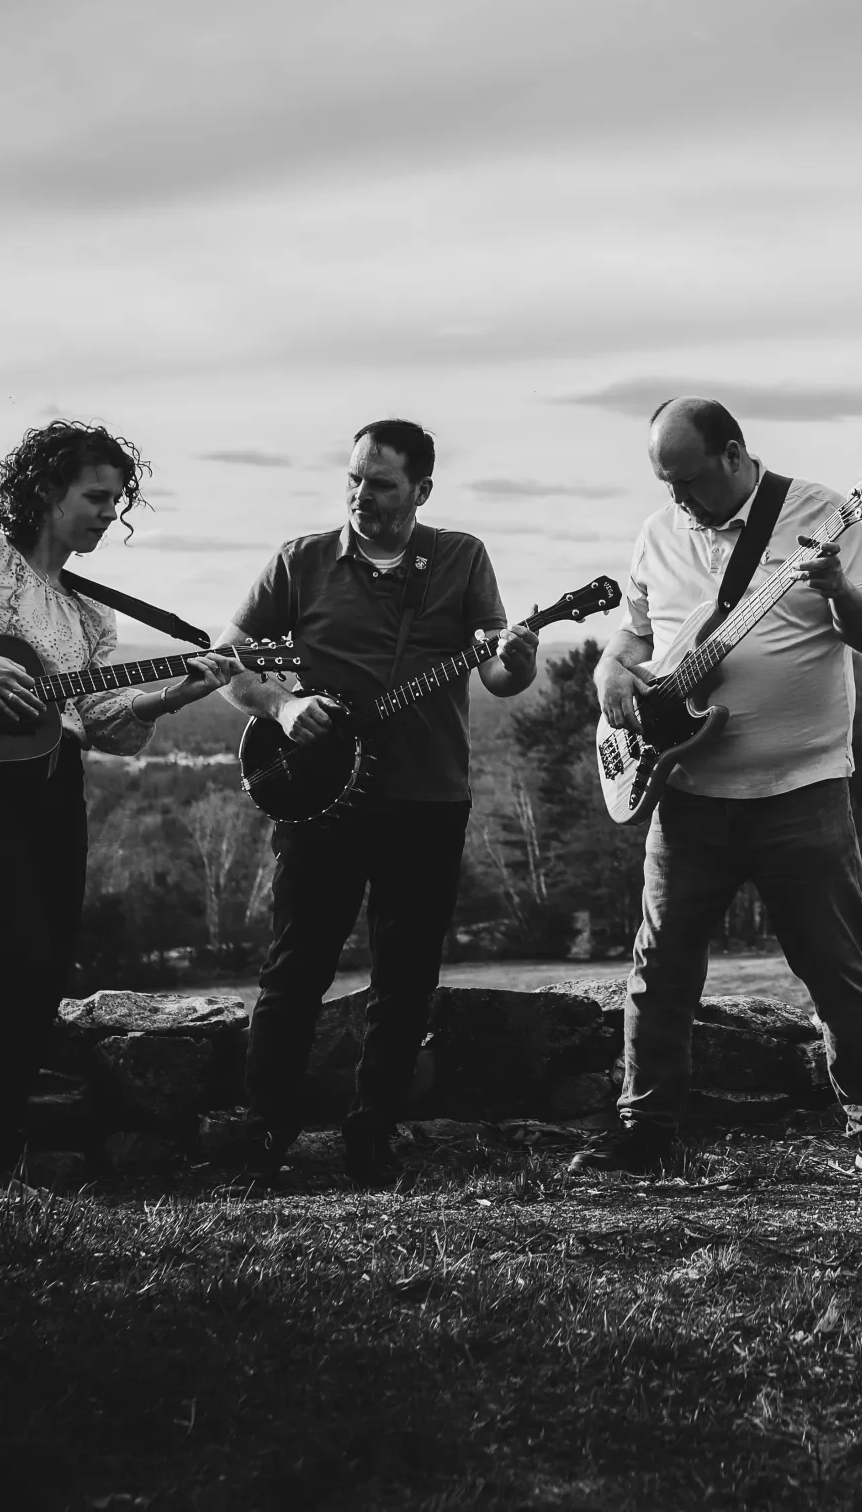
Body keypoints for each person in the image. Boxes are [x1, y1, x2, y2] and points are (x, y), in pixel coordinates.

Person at [0, 422, 239, 1212]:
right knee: (15, 958)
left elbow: (101, 720)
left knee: (45, 972)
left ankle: (1, 1168)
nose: (108, 513)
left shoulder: (91, 615)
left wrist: (184, 687)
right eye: (96, 496)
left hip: (54, 784)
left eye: (116, 500)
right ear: (46, 491)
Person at [573, 397, 862, 1183]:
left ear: (734, 454)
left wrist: (837, 586)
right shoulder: (658, 532)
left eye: (689, 481)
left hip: (800, 789)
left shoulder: (825, 515)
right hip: (687, 789)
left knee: (835, 966)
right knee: (661, 967)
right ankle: (646, 1131)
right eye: (664, 482)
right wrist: (609, 668)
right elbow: (636, 632)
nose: (676, 499)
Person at [217, 420, 538, 1188]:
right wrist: (285, 711)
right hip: (321, 802)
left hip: (427, 801)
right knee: (296, 970)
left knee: (405, 979)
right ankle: (268, 1132)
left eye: (381, 483)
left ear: (421, 491)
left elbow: (496, 675)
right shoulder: (301, 561)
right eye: (354, 478)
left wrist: (517, 664)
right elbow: (227, 661)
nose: (362, 495)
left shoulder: (462, 559)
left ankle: (373, 1135)